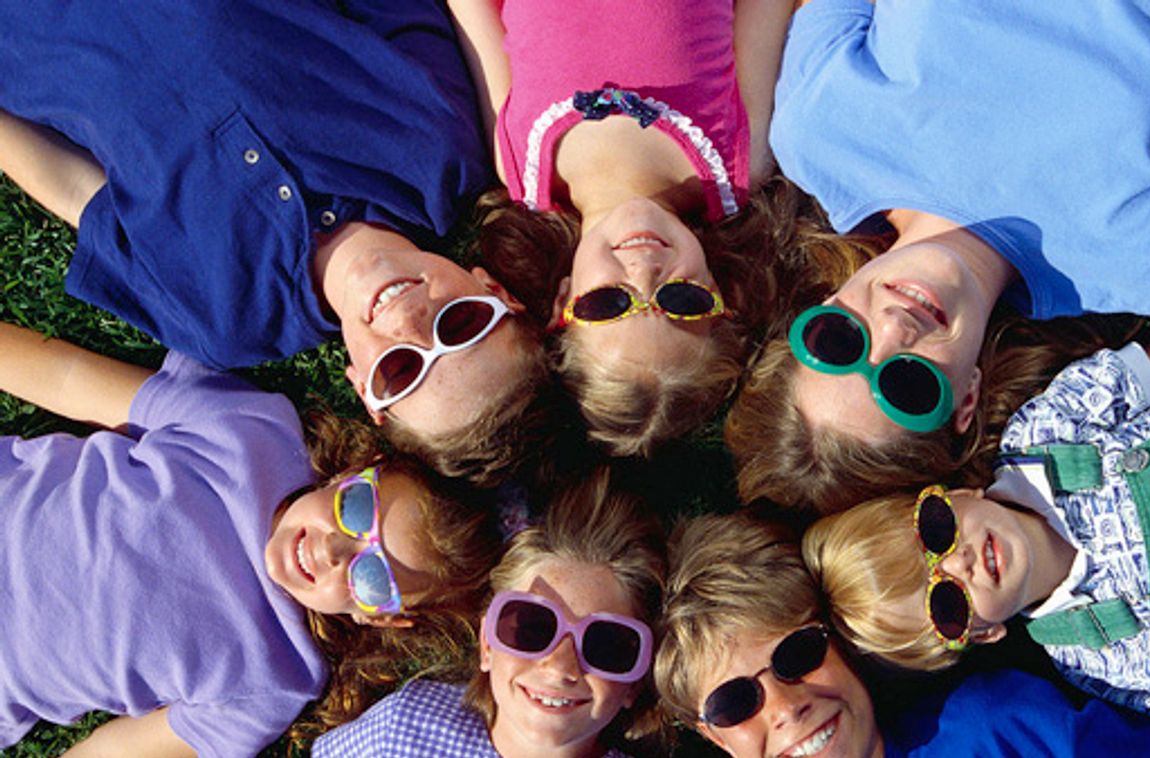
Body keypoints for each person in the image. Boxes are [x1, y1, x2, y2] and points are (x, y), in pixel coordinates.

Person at [727, 0, 1150, 510]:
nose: (892, 330)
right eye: (907, 384)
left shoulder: (819, 135)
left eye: (839, 342)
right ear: (967, 398)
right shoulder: (1145, 262)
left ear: (817, 309)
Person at [802, 224, 1150, 756]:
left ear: (956, 494)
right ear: (983, 635)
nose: (959, 564)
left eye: (935, 532)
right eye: (946, 602)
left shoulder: (1047, 433)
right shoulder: (1096, 656)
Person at [0, 0, 547, 485]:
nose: (409, 323)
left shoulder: (227, 320)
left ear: (363, 390)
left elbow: (74, 189)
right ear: (493, 287)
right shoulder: (440, 148)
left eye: (400, 370)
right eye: (461, 325)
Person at [0, 322, 501, 756]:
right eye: (355, 507)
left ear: (381, 616)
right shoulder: (248, 433)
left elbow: (119, 751)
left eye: (371, 576)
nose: (332, 550)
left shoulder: (275, 682)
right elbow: (65, 378)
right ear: (354, 472)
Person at [447, 0, 799, 455]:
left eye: (609, 302)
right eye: (681, 300)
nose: (643, 270)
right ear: (720, 295)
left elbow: (473, 13)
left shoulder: (520, 163)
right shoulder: (733, 162)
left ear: (563, 299)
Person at [655, 509, 1150, 758]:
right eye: (733, 702)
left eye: (797, 654)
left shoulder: (994, 721)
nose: (784, 707)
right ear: (712, 737)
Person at [313, 469, 665, 757]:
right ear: (486, 643)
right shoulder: (404, 727)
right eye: (531, 627)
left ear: (634, 681)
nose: (561, 668)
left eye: (606, 646)